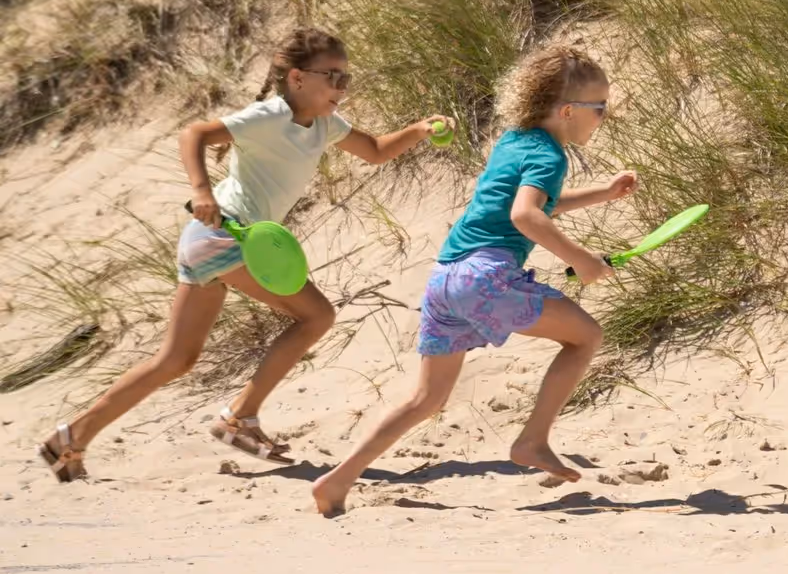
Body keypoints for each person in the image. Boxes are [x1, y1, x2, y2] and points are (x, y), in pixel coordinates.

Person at [37, 29, 443, 479]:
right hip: (225, 234)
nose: (341, 88)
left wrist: (421, 129)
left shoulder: (326, 124)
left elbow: (376, 151)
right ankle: (240, 418)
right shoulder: (269, 115)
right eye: (333, 77)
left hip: (209, 243)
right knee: (316, 316)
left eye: (346, 78)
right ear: (297, 78)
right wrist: (201, 190)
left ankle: (71, 438)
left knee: (175, 360)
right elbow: (194, 133)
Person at [311, 42, 636, 516]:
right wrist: (582, 259)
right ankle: (533, 440)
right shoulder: (550, 156)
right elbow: (527, 216)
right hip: (485, 277)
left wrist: (601, 194)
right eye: (600, 108)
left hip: (446, 279)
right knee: (586, 337)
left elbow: (524, 205)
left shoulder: (514, 141)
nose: (603, 117)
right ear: (568, 110)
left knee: (425, 399)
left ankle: (337, 480)